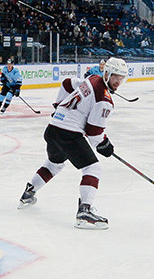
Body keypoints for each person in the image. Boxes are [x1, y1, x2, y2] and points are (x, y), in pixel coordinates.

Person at [18, 57, 129, 230]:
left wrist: (58, 106)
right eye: (115, 77)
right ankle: (84, 212)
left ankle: (28, 193)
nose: (118, 82)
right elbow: (93, 133)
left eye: (121, 78)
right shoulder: (105, 100)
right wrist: (105, 145)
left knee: (54, 164)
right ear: (106, 73)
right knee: (93, 168)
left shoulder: (93, 79)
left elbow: (67, 83)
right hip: (68, 133)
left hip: (53, 128)